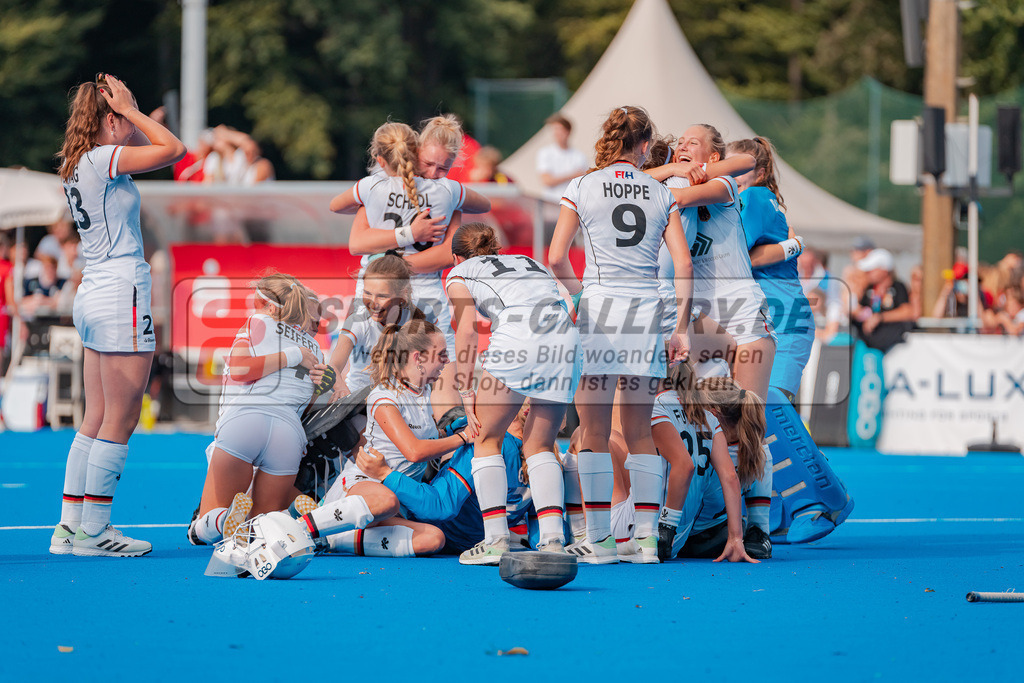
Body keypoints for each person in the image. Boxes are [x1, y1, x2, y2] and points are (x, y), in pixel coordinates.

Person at [549, 105, 693, 564]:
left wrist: (577, 298)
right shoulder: (658, 190)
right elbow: (683, 266)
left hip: (601, 311)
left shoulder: (582, 185)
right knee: (639, 431)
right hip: (646, 311)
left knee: (592, 428)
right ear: (646, 146)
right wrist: (681, 327)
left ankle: (600, 540)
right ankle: (647, 540)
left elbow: (556, 257)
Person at [50, 73, 186, 557]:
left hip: (96, 289)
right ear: (109, 117)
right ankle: (95, 530)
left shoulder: (82, 160)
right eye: (122, 115)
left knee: (97, 416)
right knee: (121, 418)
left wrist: (133, 119)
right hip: (118, 289)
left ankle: (71, 527)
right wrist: (132, 111)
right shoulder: (105, 157)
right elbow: (175, 150)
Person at [445, 222, 581, 563]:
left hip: (518, 339)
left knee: (486, 437)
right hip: (564, 339)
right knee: (539, 443)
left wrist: (465, 389)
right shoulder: (529, 261)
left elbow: (467, 330)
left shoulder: (459, 272)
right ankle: (552, 540)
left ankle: (495, 541)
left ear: (455, 256)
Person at [330, 121, 469, 415]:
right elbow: (449, 250)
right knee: (440, 370)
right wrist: (411, 239)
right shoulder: (448, 190)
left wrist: (391, 263)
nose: (433, 172)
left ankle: (363, 446)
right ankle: (449, 445)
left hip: (379, 287)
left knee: (363, 365)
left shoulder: (375, 185)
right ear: (413, 151)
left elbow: (355, 240)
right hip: (422, 287)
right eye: (429, 163)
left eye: (442, 167)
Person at [187, 273, 331, 546]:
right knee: (259, 527)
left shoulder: (259, 322)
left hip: (246, 420)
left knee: (207, 523)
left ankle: (210, 524)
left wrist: (292, 355)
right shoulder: (316, 350)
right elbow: (308, 403)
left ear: (271, 306)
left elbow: (241, 369)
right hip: (288, 435)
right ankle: (293, 517)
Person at [307, 319, 471, 557]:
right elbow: (413, 451)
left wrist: (452, 430)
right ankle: (301, 527)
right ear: (418, 358)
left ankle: (332, 540)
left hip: (396, 497)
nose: (446, 360)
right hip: (367, 485)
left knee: (434, 538)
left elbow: (429, 440)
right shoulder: (384, 395)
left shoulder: (425, 390)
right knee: (387, 502)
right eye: (442, 354)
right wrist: (465, 438)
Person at [660, 125, 777, 404]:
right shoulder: (670, 181)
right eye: (680, 142)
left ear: (713, 158)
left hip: (742, 310)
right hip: (701, 312)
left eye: (693, 142)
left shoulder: (723, 182)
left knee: (747, 421)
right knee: (665, 380)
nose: (683, 147)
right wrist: (670, 171)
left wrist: (668, 175)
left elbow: (677, 196)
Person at [726, 137, 812, 402]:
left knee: (769, 416)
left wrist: (792, 247)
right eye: (729, 168)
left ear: (760, 173)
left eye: (742, 170)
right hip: (776, 318)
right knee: (754, 418)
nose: (733, 176)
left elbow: (736, 258)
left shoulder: (753, 196)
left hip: (782, 319)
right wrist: (792, 246)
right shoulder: (760, 198)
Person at [651, 360, 757, 562]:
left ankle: (586, 531)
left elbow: (684, 466)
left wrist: (666, 528)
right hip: (679, 538)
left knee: (610, 442)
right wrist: (736, 538)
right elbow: (730, 477)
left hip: (651, 532)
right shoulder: (709, 416)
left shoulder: (654, 407)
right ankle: (759, 531)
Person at [329, 254, 421, 401]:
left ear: (402, 295)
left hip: (399, 400)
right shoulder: (357, 322)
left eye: (382, 296)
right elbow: (333, 366)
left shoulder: (416, 321)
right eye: (367, 293)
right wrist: (343, 392)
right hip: (358, 401)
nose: (373, 303)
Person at [698, 376, 772, 558]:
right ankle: (757, 533)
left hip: (704, 533)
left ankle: (756, 533)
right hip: (716, 533)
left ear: (712, 414)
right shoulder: (756, 447)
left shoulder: (752, 450)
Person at [851, 248, 915, 352]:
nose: (868, 273)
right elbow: (859, 310)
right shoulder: (869, 288)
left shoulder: (898, 287)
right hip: (869, 346)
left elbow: (907, 311)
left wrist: (880, 318)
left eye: (872, 269)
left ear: (884, 270)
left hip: (893, 347)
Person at [536, 113, 589, 204]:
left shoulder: (579, 156)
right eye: (555, 129)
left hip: (572, 204)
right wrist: (572, 175)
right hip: (551, 204)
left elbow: (583, 181)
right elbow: (547, 180)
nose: (557, 133)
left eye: (560, 129)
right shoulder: (545, 153)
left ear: (568, 131)